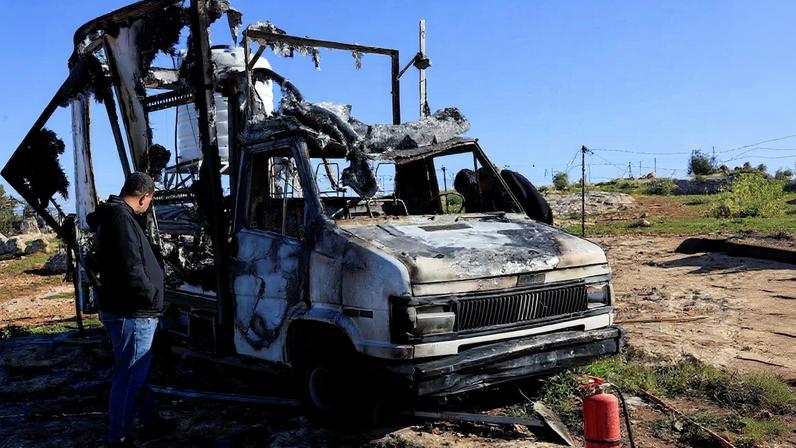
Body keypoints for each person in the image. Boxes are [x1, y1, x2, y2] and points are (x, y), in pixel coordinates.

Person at [87, 172, 170, 446]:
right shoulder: (121, 220)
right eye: (150, 200)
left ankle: (150, 421)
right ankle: (119, 437)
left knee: (137, 371)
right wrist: (151, 295)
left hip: (124, 308)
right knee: (130, 375)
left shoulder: (114, 217)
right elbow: (131, 268)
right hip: (133, 312)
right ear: (144, 197)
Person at [473, 167, 554, 224]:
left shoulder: (507, 178)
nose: (479, 187)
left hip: (537, 216)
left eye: (480, 183)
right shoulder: (492, 189)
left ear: (487, 179)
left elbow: (520, 201)